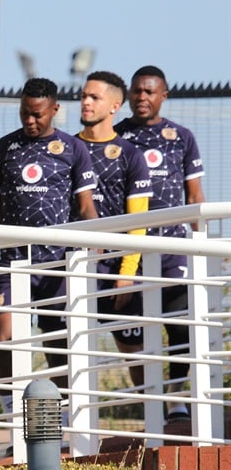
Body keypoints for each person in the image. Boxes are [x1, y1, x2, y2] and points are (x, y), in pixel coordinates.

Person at [0, 77, 98, 406]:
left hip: (58, 262)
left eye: (38, 115)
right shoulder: (5, 147)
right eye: (25, 113)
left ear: (55, 110)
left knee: (57, 343)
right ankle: (11, 417)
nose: (31, 121)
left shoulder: (74, 149)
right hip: (14, 261)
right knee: (4, 340)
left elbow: (86, 206)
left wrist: (95, 248)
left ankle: (60, 419)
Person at [115, 66, 205, 423]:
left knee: (179, 325)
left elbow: (195, 195)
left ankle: (178, 402)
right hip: (131, 251)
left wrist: (200, 245)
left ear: (163, 95)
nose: (142, 98)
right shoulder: (117, 137)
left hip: (173, 248)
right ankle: (148, 398)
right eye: (136, 91)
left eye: (149, 92)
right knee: (128, 328)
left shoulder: (181, 137)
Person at [75, 71, 152, 384]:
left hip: (116, 270)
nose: (86, 102)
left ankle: (154, 420)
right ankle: (71, 427)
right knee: (68, 349)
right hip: (72, 265)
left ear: (114, 105)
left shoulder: (131, 155)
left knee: (134, 350)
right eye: (83, 96)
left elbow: (139, 221)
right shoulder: (66, 149)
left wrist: (126, 273)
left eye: (95, 97)